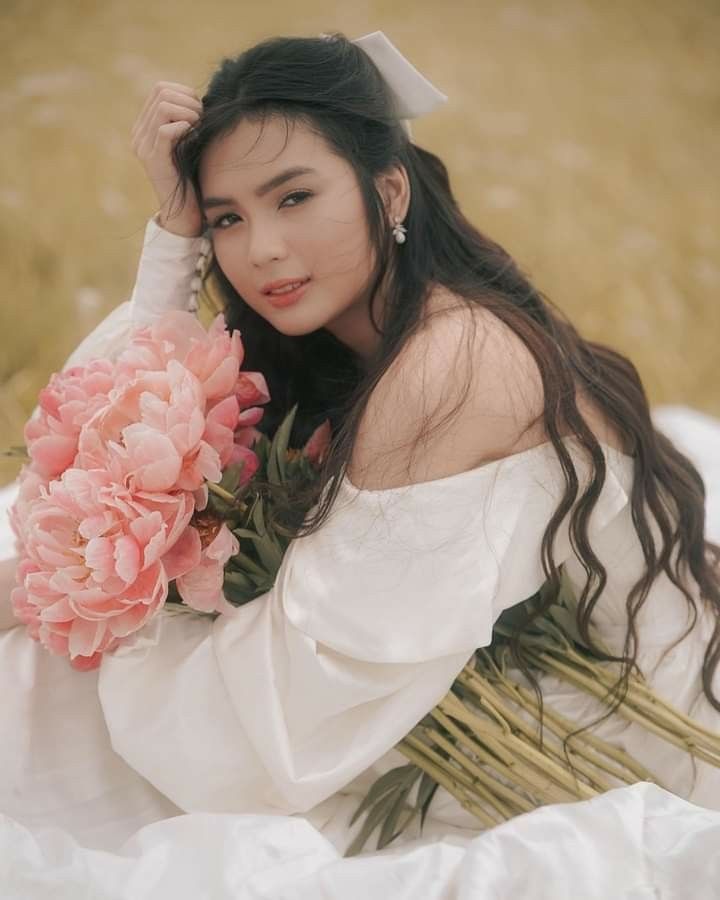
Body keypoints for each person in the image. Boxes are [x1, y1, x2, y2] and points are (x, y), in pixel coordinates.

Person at [1, 30, 720, 883]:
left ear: (388, 188)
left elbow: (275, 728)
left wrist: (110, 604)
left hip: (604, 737)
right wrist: (173, 235)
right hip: (459, 703)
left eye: (294, 196)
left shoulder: (445, 366)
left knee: (51, 705)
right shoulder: (356, 342)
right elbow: (91, 449)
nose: (260, 248)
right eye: (227, 216)